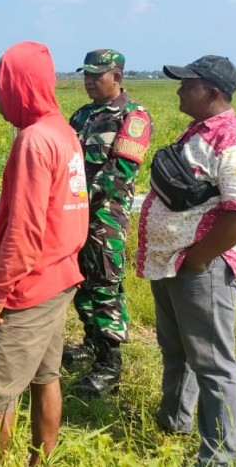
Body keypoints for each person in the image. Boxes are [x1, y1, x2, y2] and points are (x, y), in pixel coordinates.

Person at [138, 55, 236, 466]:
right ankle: (175, 419)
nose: (179, 89)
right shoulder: (200, 132)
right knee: (176, 348)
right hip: (174, 264)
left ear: (212, 92)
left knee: (213, 365)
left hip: (203, 268)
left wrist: (197, 260)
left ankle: (217, 457)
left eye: (187, 83)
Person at [0, 42, 88, 465]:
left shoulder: (34, 141)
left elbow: (24, 229)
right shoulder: (63, 130)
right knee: (45, 376)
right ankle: (43, 460)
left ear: (19, 88)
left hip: (29, 287)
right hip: (60, 277)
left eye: (0, 91)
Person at [63, 49, 152, 396]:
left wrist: (77, 201)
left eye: (95, 76)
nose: (88, 81)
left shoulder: (134, 116)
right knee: (80, 283)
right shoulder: (82, 115)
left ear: (116, 76)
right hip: (74, 214)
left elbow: (120, 172)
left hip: (105, 217)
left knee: (104, 284)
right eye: (85, 75)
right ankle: (91, 343)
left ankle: (109, 364)